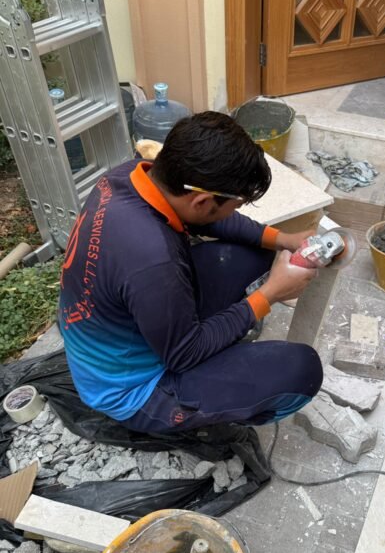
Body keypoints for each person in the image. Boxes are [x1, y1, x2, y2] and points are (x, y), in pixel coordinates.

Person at [59, 111, 323, 434]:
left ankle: (216, 346)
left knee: (251, 256)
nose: (235, 211)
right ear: (202, 201)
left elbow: (213, 219)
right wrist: (269, 295)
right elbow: (184, 354)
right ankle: (211, 413)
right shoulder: (153, 260)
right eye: (237, 204)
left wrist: (283, 239)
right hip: (135, 390)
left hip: (127, 323)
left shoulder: (133, 176)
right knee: (302, 371)